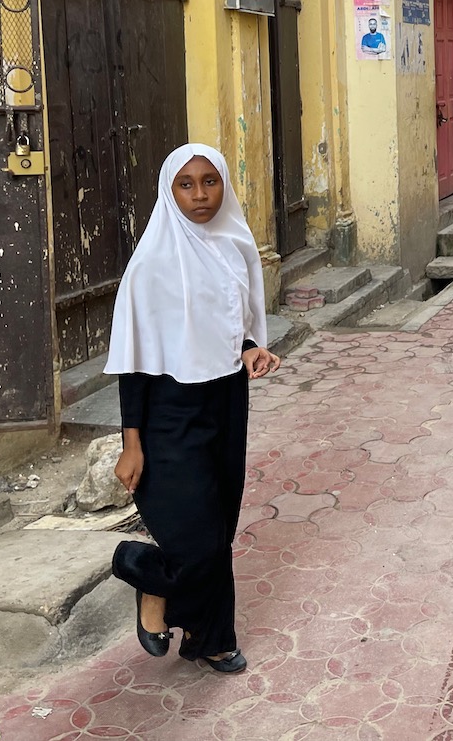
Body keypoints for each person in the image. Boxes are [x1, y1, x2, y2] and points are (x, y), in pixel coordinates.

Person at [108, 144, 280, 674]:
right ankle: (144, 569)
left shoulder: (235, 243)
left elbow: (241, 321)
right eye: (186, 184)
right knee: (195, 535)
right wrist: (131, 443)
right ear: (168, 190)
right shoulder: (151, 265)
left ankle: (209, 638)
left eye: (210, 182)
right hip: (167, 411)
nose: (201, 195)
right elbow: (134, 362)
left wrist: (252, 347)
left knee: (220, 523)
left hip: (226, 399)